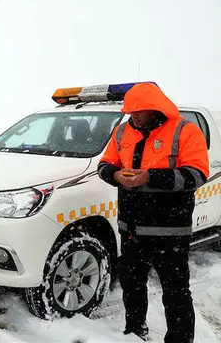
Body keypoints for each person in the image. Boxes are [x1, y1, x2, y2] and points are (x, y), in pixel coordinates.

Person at [98, 82, 209, 342]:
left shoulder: (185, 131)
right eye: (130, 111)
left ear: (156, 109)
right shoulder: (122, 131)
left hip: (170, 230)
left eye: (139, 111)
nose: (133, 115)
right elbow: (105, 163)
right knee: (132, 285)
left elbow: (197, 174)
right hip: (131, 228)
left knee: (175, 291)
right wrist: (115, 174)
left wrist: (150, 177)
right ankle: (134, 332)